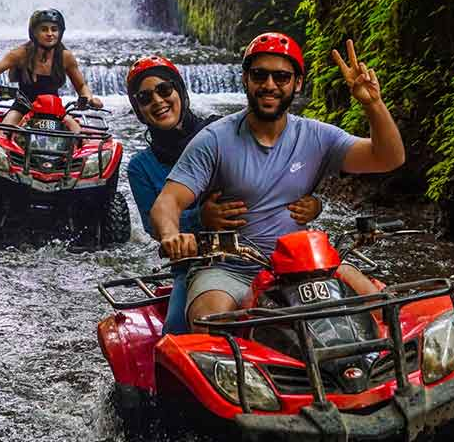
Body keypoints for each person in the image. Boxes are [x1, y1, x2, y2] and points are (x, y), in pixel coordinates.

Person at [150, 33, 405, 331]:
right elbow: (168, 201)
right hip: (230, 267)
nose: (269, 85)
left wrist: (373, 104)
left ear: (297, 83)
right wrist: (171, 235)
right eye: (260, 75)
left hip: (305, 263)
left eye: (281, 77)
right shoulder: (214, 140)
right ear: (245, 79)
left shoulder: (318, 137)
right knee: (211, 321)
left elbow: (387, 158)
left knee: (381, 309)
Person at [126, 55, 322, 334]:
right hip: (199, 262)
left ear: (179, 91)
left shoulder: (221, 132)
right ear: (138, 109)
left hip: (268, 250)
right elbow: (153, 225)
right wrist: (200, 219)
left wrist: (315, 203)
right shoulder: (140, 167)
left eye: (164, 90)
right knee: (176, 329)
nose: (157, 101)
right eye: (145, 98)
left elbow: (276, 172)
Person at [0, 9, 102, 133]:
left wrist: (89, 98)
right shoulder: (20, 54)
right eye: (44, 29)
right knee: (3, 134)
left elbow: (81, 85)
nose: (50, 34)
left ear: (60, 33)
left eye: (54, 29)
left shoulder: (65, 57)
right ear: (34, 32)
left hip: (55, 110)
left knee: (80, 138)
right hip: (23, 107)